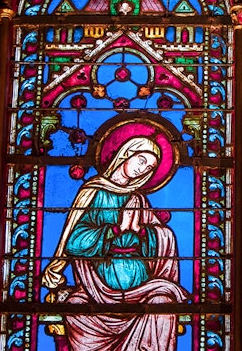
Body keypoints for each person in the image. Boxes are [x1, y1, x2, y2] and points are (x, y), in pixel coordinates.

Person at [42, 137, 188, 351]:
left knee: (162, 304)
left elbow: (162, 237)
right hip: (96, 289)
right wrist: (115, 230)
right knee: (76, 308)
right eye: (141, 161)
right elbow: (73, 242)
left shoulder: (138, 201)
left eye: (149, 167)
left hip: (143, 289)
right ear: (125, 154)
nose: (142, 170)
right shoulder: (93, 193)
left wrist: (144, 233)